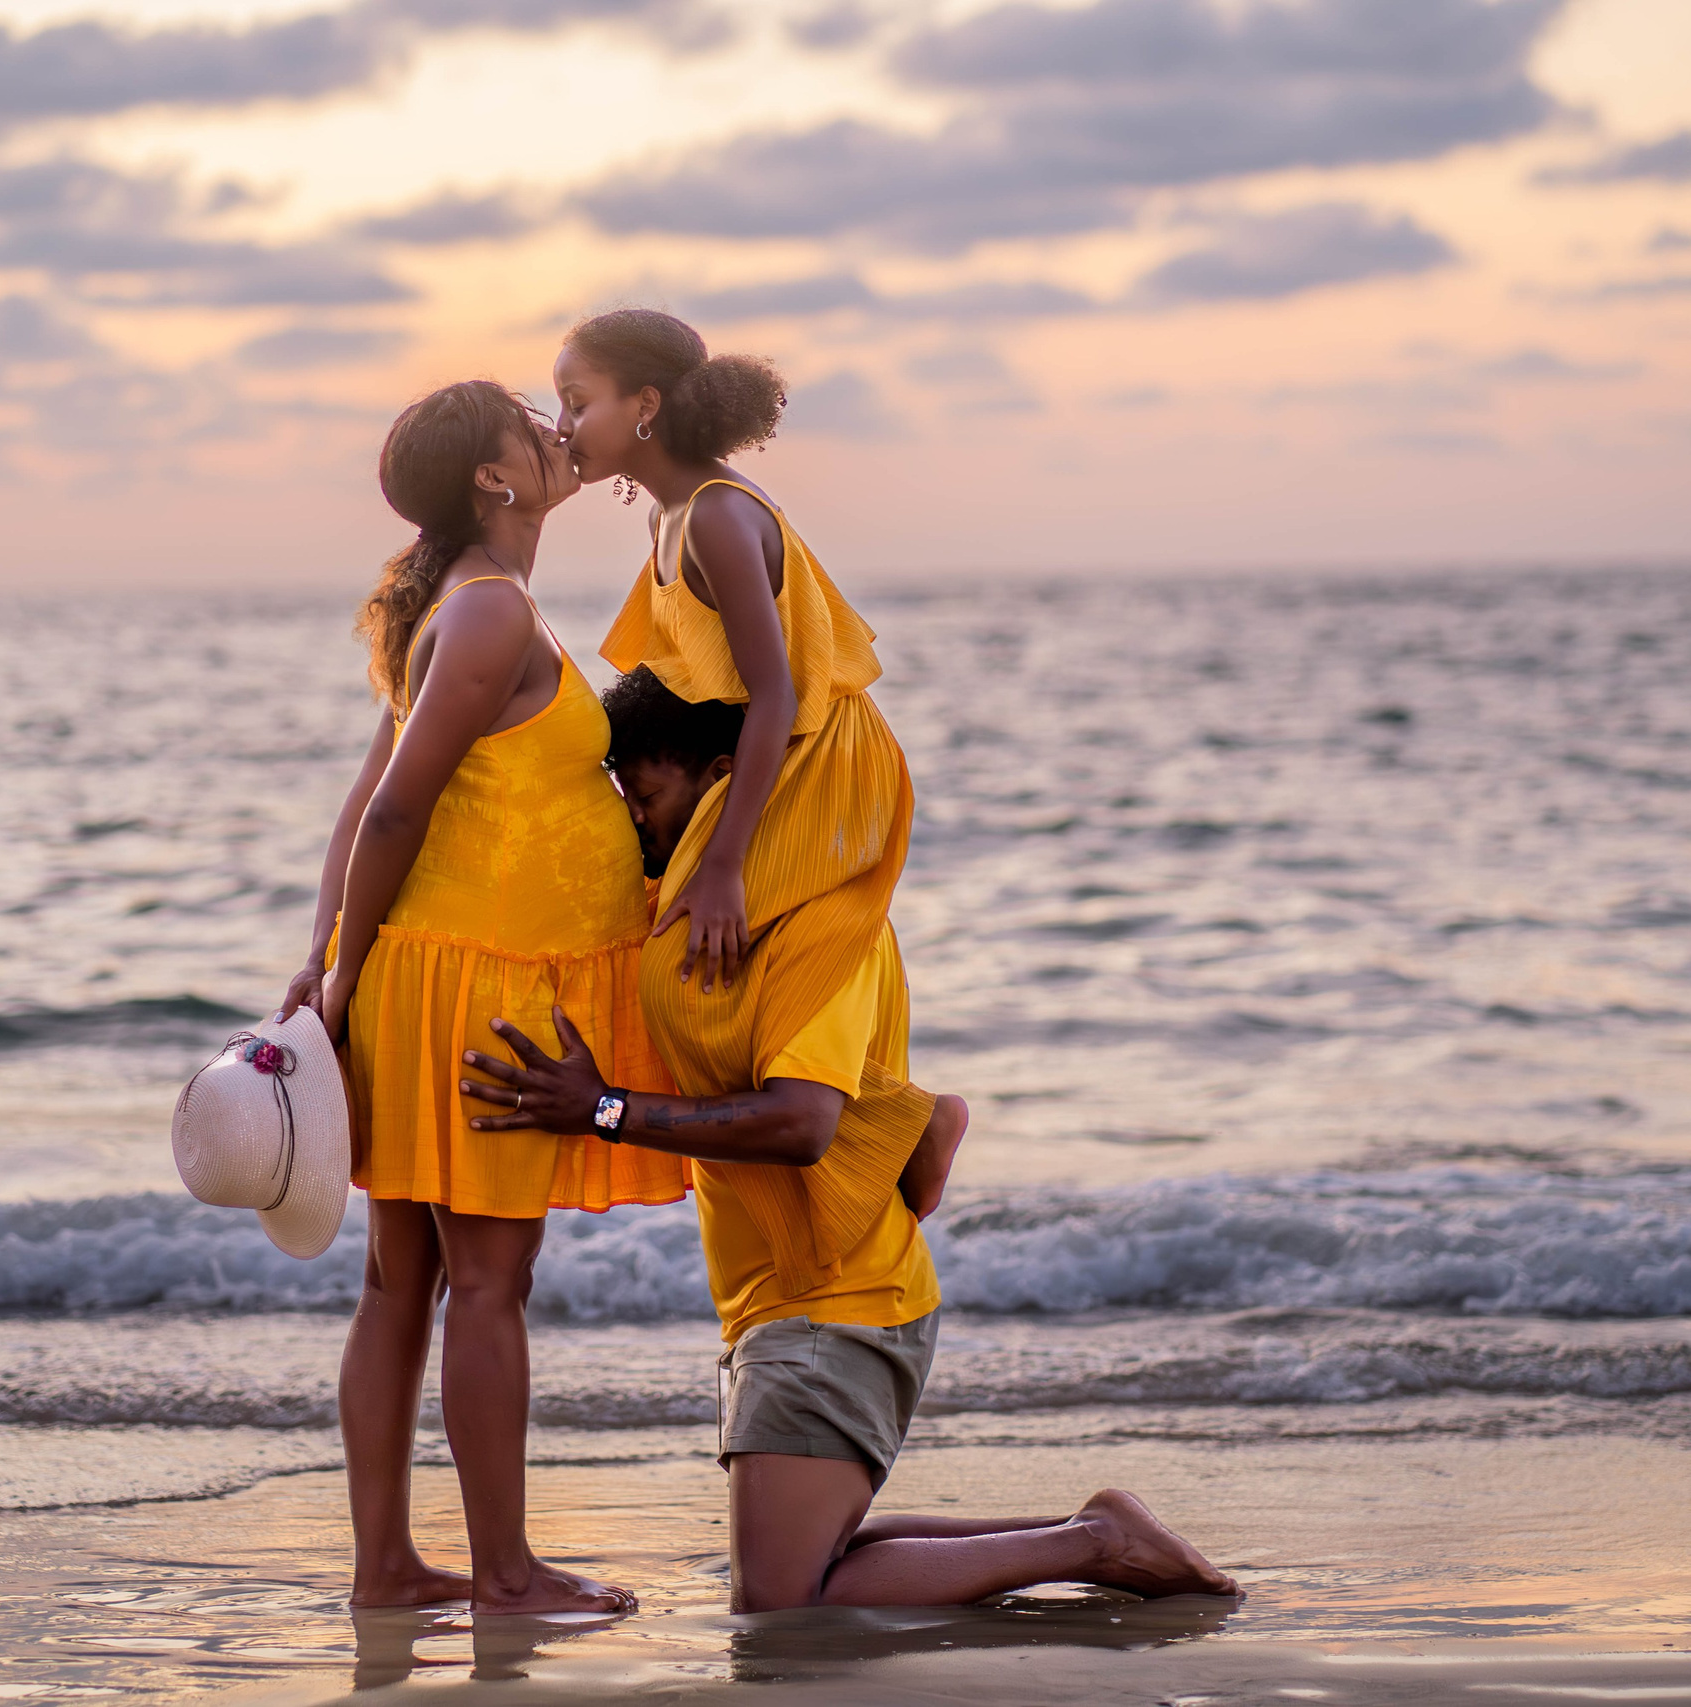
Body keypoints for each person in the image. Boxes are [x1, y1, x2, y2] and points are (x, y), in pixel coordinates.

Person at [458, 669, 1240, 1612]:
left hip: (838, 1304)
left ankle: (1095, 1543)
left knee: (782, 1605)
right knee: (805, 1565)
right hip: (789, 1305)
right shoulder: (713, 923)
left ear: (720, 777)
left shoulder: (823, 922)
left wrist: (603, 1108)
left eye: (648, 798)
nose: (635, 824)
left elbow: (802, 1120)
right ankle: (1089, 1531)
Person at [279, 380, 686, 1616]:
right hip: (475, 991)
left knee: (403, 1285)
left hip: (432, 972)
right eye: (529, 420)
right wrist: (335, 974)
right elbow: (390, 807)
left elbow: (369, 801)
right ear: (493, 481)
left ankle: (389, 1570)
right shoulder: (491, 614)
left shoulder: (462, 609)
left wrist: (329, 958)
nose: (556, 430)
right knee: (489, 1285)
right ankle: (505, 1574)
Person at [551, 307, 966, 1239]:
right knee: (712, 974)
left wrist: (724, 863)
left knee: (741, 950)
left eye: (577, 402)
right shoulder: (667, 518)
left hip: (817, 751)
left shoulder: (718, 517)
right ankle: (897, 1130)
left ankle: (902, 1124)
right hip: (770, 753)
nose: (562, 425)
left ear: (646, 405)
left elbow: (775, 694)